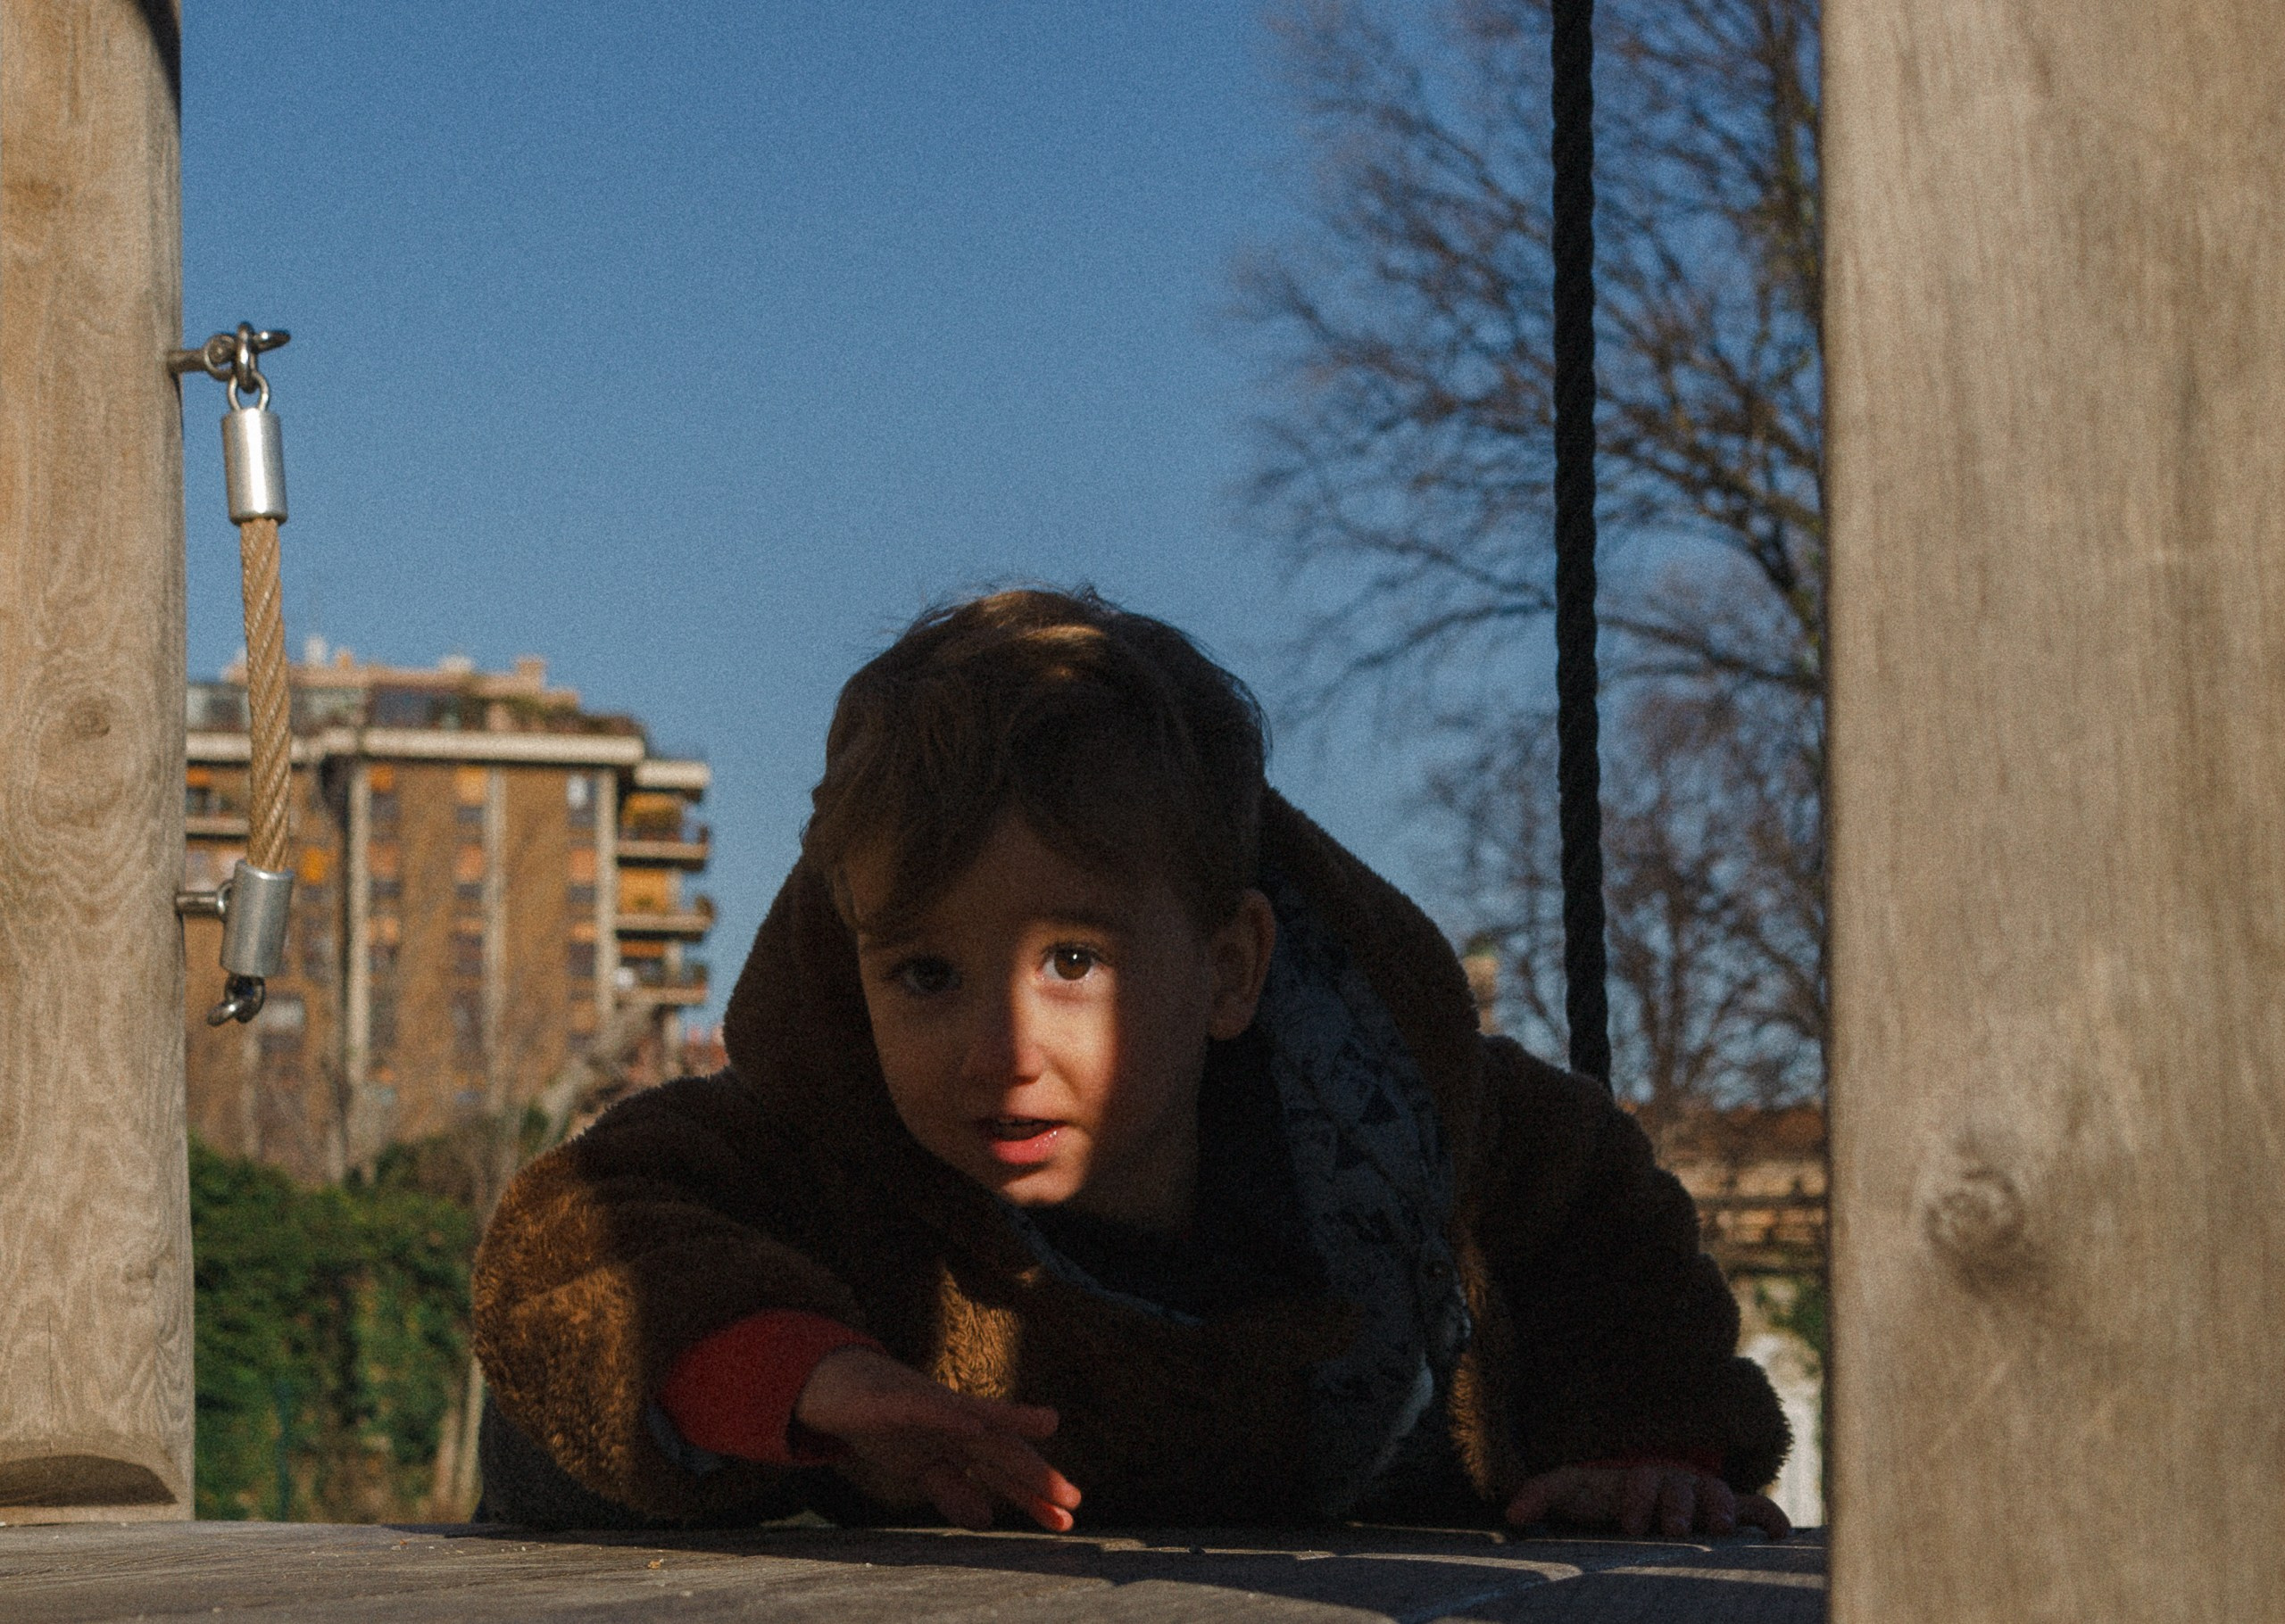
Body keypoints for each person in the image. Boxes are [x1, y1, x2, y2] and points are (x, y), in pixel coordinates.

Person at [471, 588, 1791, 1537]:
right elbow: (576, 1244)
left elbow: (1603, 1226)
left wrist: (1647, 1446)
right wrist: (809, 1381)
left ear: (1229, 969)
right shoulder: (830, 1145)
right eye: (924, 974)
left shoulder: (1405, 1120)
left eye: (1073, 962)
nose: (1002, 1054)